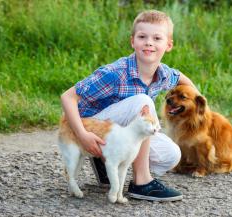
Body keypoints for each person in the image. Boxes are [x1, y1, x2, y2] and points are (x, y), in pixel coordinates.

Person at [61, 10, 196, 202]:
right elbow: (67, 97)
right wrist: (82, 136)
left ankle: (106, 160)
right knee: (143, 102)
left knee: (171, 155)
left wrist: (199, 103)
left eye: (157, 38)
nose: (149, 42)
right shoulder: (116, 73)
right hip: (90, 125)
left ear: (168, 45)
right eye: (142, 37)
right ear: (133, 41)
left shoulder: (164, 74)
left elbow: (184, 80)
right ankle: (142, 183)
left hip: (117, 133)